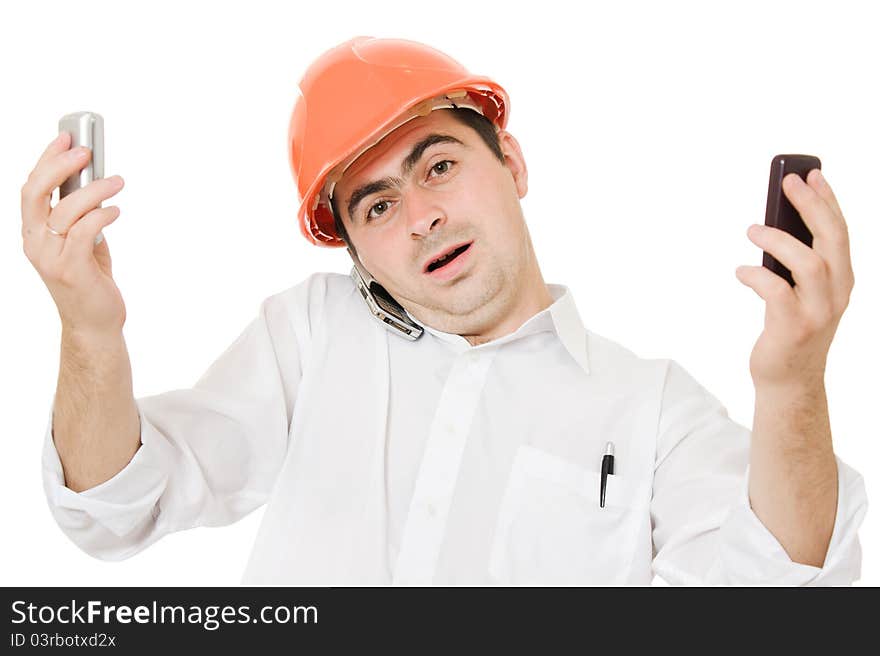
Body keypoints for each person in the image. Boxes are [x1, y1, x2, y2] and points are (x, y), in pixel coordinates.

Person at [23, 36, 866, 585]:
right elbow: (114, 505)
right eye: (377, 207)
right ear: (356, 251)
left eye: (437, 167)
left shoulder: (653, 410)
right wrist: (88, 330)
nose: (421, 216)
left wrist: (795, 384)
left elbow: (778, 595)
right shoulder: (313, 334)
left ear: (513, 164)